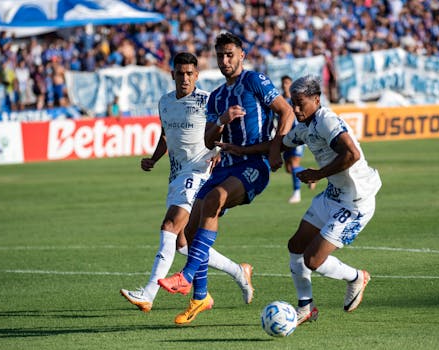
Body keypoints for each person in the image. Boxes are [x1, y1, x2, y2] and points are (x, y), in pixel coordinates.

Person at [157, 32, 295, 325]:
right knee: (190, 233)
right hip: (224, 167)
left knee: (216, 199)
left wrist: (275, 148)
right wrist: (222, 120)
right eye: (220, 55)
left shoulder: (255, 81)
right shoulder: (218, 96)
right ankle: (200, 298)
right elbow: (208, 141)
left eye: (230, 54)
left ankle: (186, 276)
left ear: (242, 55)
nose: (225, 60)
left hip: (253, 165)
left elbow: (286, 112)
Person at [120, 52, 254, 314]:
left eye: (189, 73)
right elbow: (166, 135)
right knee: (184, 244)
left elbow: (226, 130)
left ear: (197, 75)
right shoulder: (165, 102)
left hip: (200, 172)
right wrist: (154, 159)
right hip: (177, 174)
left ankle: (148, 294)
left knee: (169, 225)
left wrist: (221, 155)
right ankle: (239, 271)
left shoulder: (207, 101)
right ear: (172, 74)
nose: (184, 78)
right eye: (180, 73)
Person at [282, 75, 381, 325]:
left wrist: (317, 174)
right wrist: (238, 149)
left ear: (316, 100)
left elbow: (352, 154)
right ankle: (306, 308)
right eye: (292, 103)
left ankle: (357, 277)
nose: (295, 109)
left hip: (356, 201)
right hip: (333, 195)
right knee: (296, 245)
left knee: (313, 260)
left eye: (300, 103)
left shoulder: (326, 120)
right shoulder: (305, 125)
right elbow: (281, 143)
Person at [280, 75, 315, 204]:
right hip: (284, 137)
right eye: (284, 83)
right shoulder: (280, 100)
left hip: (297, 136)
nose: (285, 85)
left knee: (294, 164)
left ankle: (296, 194)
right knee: (289, 168)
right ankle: (310, 175)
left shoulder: (296, 99)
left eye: (288, 83)